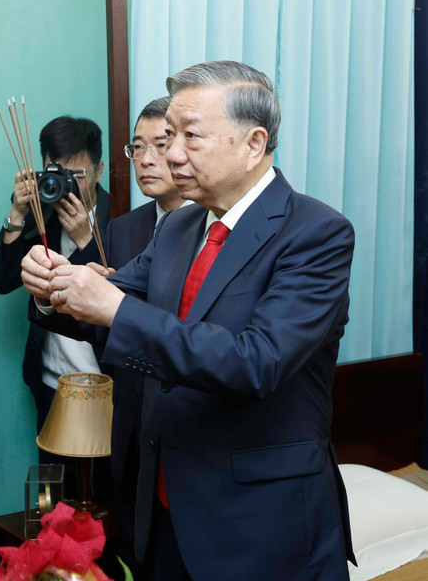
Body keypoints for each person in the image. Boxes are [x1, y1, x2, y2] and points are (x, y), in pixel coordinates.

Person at [21, 61, 356, 580]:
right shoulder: (179, 227)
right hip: (164, 505)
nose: (171, 154)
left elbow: (257, 361)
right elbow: (112, 303)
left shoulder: (316, 234)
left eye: (190, 136)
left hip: (259, 520)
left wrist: (111, 304)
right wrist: (55, 288)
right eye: (168, 135)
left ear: (253, 143)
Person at [0, 115, 109, 473]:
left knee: (106, 497)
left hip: (107, 388)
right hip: (51, 386)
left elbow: (124, 296)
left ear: (99, 170)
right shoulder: (44, 214)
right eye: (56, 174)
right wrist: (17, 210)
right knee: (53, 497)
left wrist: (88, 240)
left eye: (79, 175)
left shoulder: (123, 219)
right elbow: (3, 279)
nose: (66, 186)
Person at [107, 95, 185, 579]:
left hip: (188, 426)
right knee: (135, 548)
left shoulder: (211, 227)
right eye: (138, 147)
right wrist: (64, 289)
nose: (150, 158)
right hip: (132, 417)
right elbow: (104, 335)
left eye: (162, 144)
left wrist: (112, 304)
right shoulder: (123, 228)